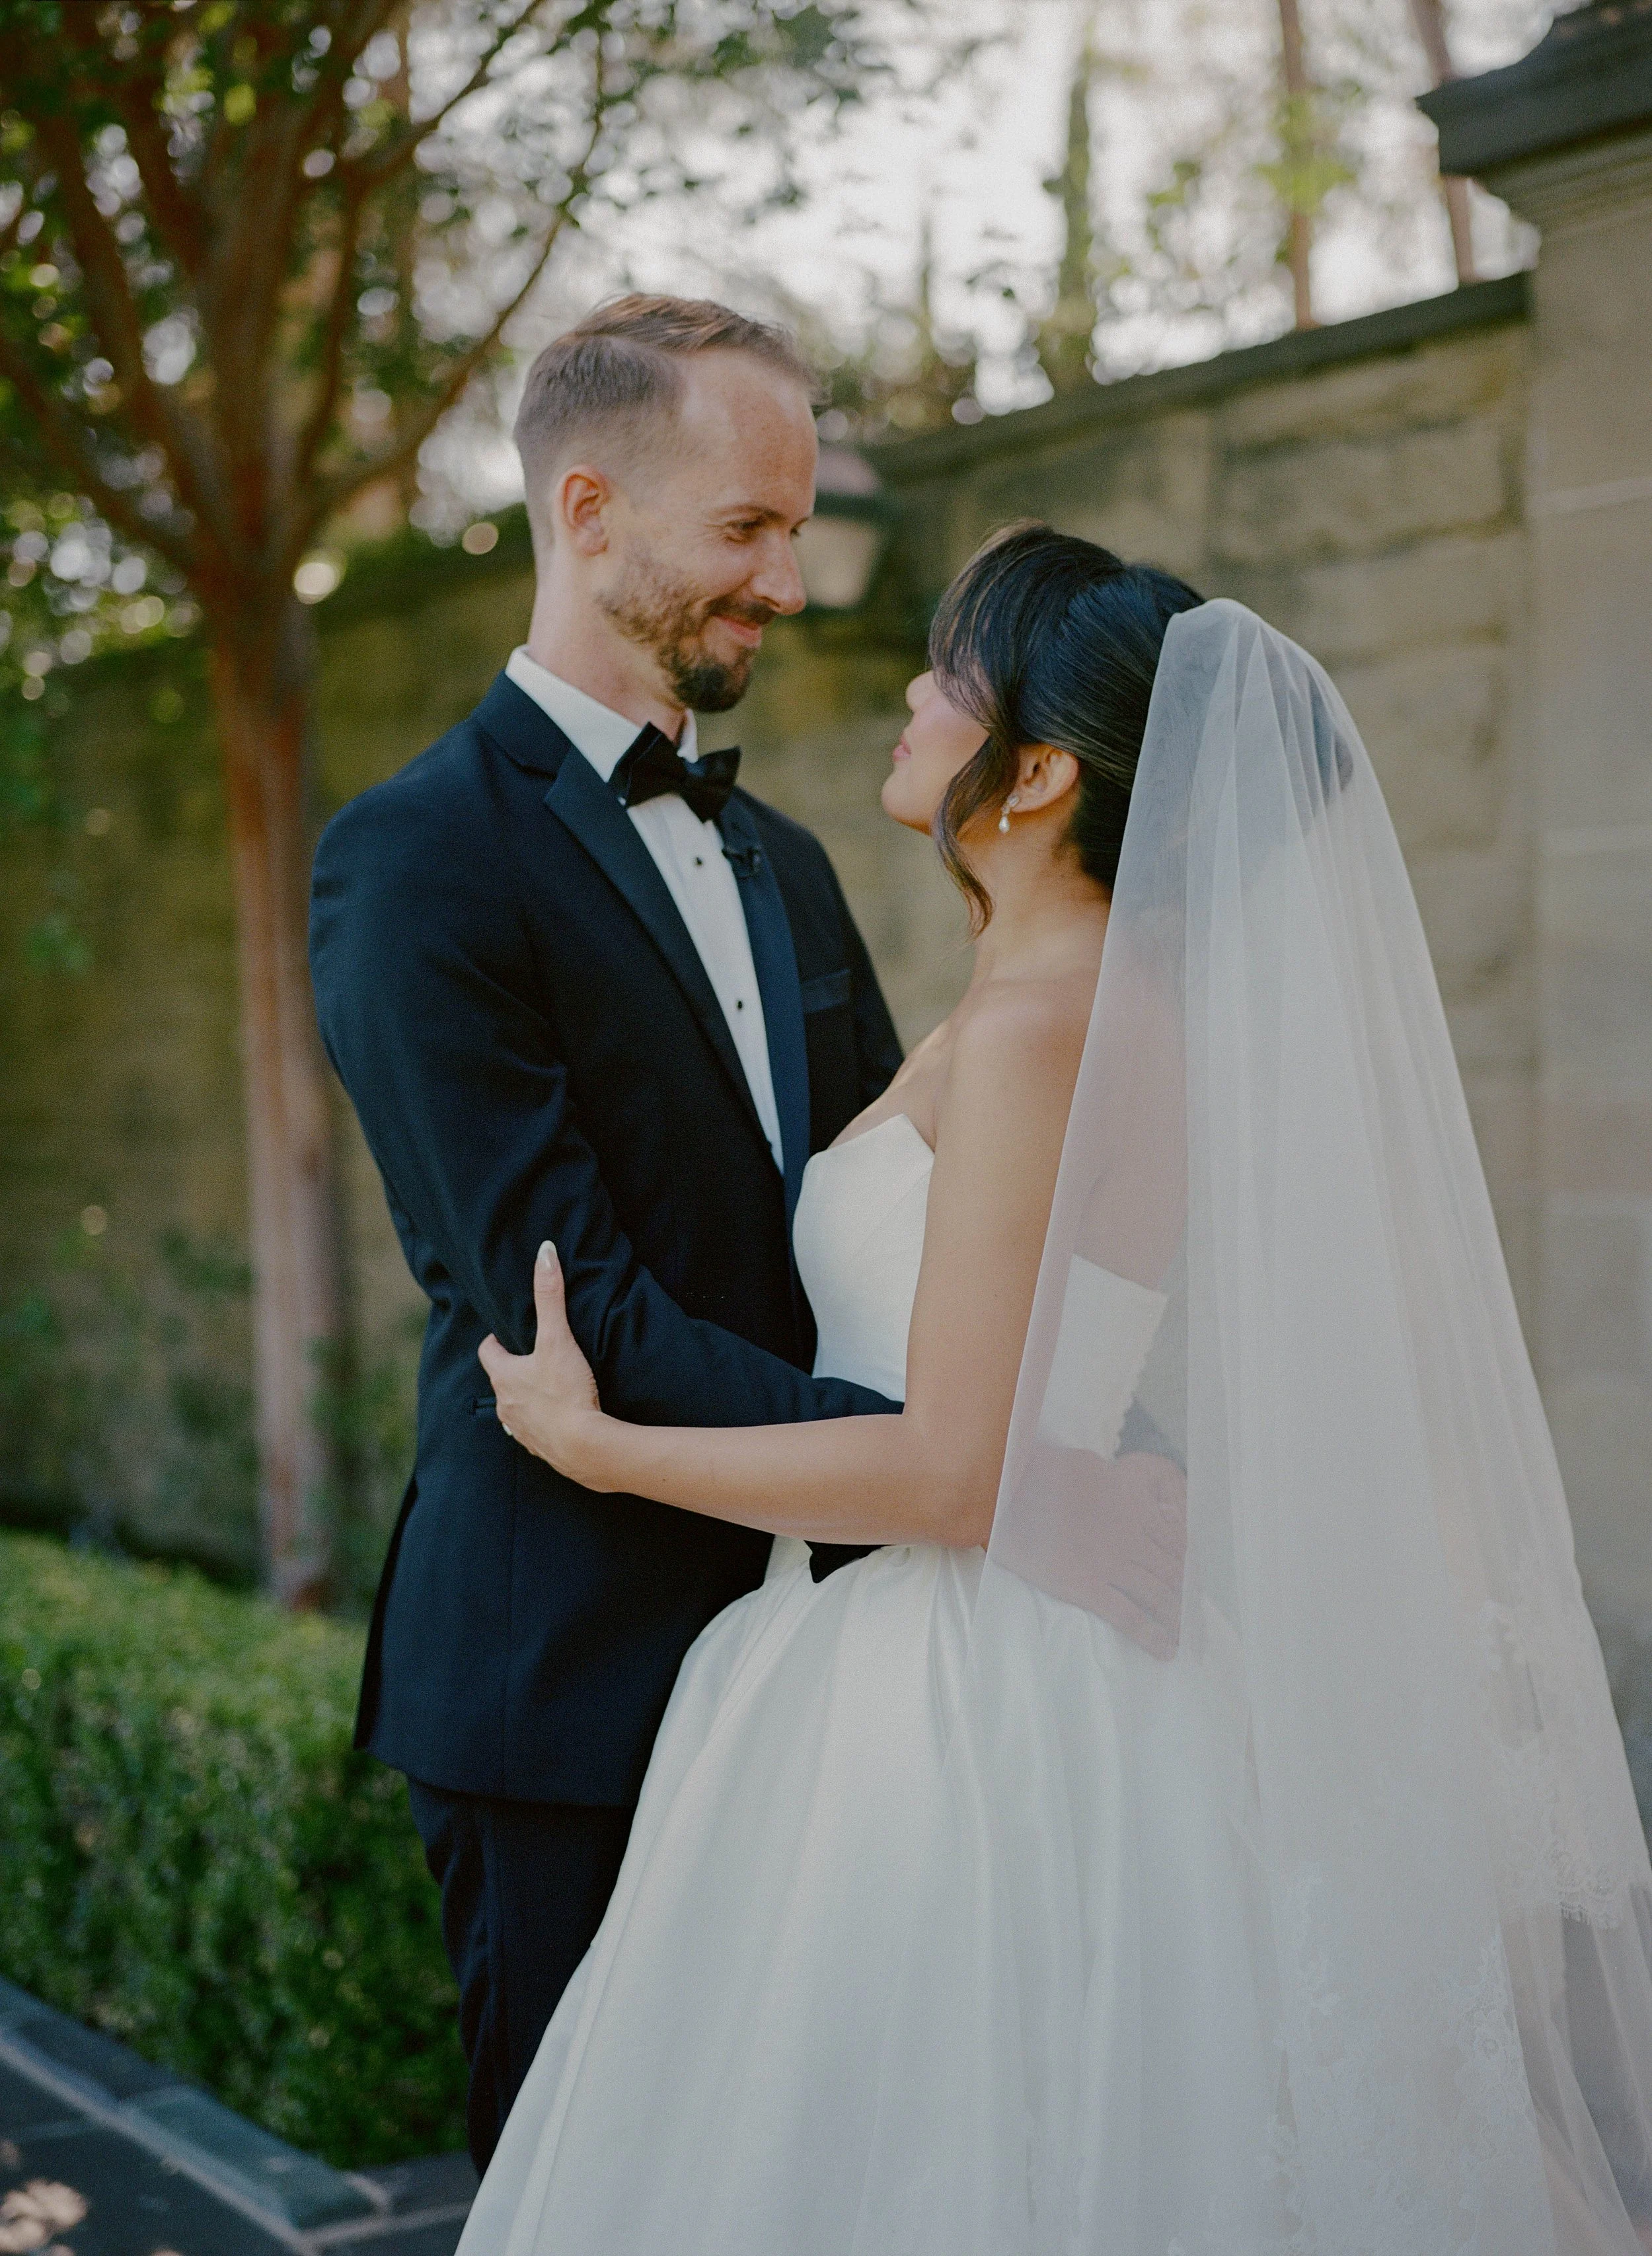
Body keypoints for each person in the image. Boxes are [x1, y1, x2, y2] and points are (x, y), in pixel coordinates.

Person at [464, 527, 1652, 2254]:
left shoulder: (1039, 1030)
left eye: (946, 673)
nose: (903, 690)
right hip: (1050, 1649)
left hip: (957, 1686)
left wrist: (598, 1442)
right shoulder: (1076, 1007)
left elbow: (958, 1470)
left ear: (1035, 772)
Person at [307, 295, 913, 2175]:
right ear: (585, 508)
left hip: (833, 1665)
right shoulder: (417, 860)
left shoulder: (788, 859)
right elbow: (576, 1307)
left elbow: (894, 1207)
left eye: (793, 526)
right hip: (565, 1685)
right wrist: (909, 1471)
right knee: (596, 2193)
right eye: (745, 528)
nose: (788, 580)